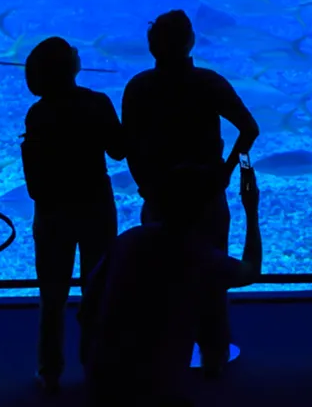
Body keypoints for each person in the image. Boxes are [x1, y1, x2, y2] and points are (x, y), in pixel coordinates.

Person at [119, 9, 260, 378]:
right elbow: (249, 129)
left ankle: (159, 360)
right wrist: (228, 172)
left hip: (159, 198)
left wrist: (145, 185)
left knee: (157, 281)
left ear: (152, 47)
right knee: (212, 280)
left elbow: (128, 144)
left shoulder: (138, 87)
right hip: (206, 197)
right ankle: (214, 358)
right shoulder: (208, 82)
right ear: (191, 42)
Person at [85, 161, 262, 407]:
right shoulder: (200, 255)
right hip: (159, 386)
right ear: (205, 210)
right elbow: (250, 271)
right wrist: (252, 212)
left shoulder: (126, 241)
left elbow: (89, 304)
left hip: (106, 374)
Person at [21, 36, 126, 395]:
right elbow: (118, 151)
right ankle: (96, 367)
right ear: (69, 67)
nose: (79, 53)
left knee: (52, 296)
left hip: (51, 212)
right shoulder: (97, 103)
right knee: (97, 292)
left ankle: (50, 371)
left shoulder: (37, 113)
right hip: (95, 206)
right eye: (72, 53)